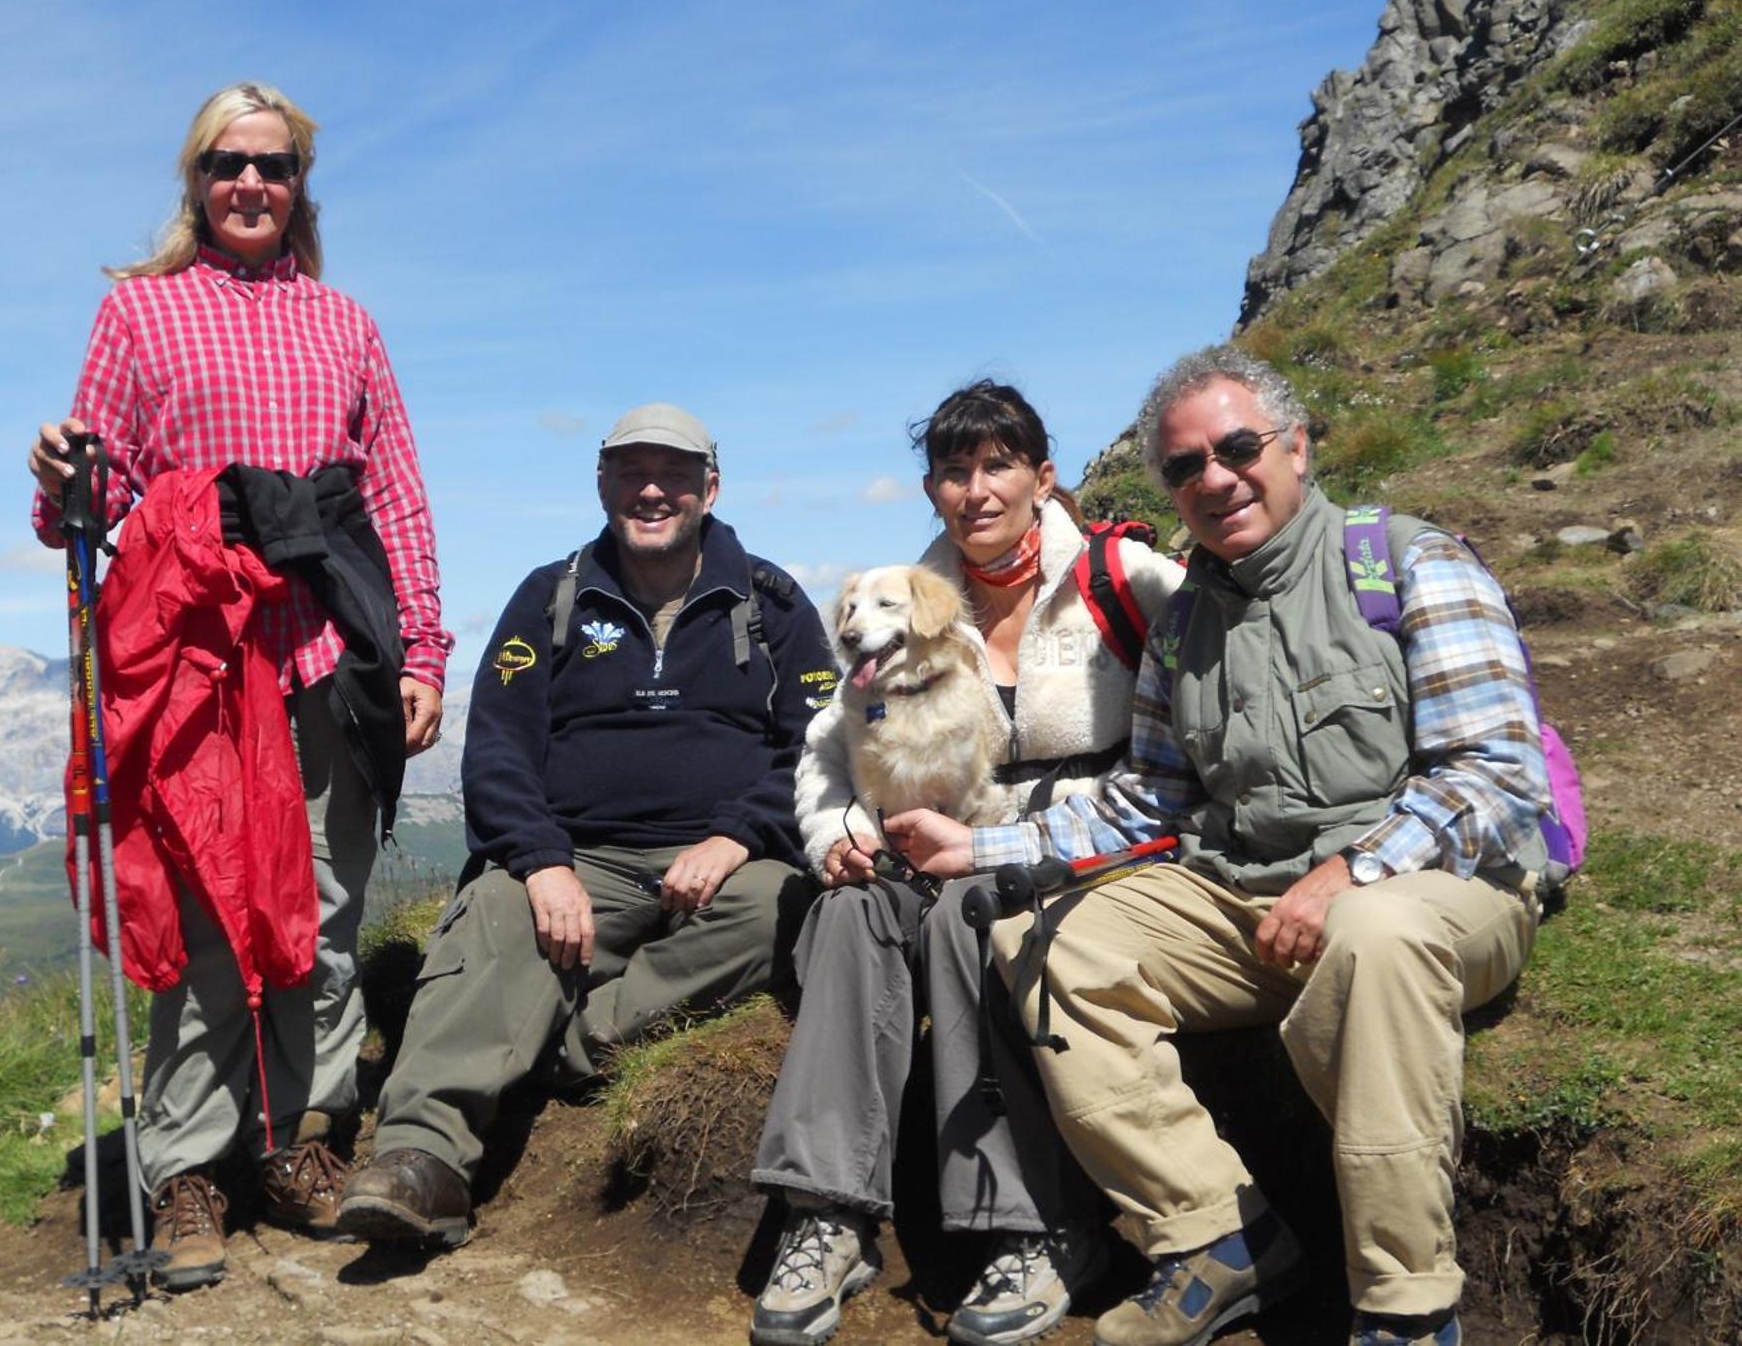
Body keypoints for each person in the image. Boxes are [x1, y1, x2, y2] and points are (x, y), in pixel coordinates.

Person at [884, 346, 1550, 1346]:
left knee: (1370, 935)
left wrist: (1349, 871)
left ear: (1295, 445)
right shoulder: (1183, 620)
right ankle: (1215, 1237)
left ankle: (1405, 1307)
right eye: (1184, 466)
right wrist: (974, 851)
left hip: (1435, 894)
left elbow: (1498, 777)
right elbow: (1143, 803)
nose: (1213, 478)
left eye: (1235, 448)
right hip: (1247, 901)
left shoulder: (1405, 563)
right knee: (1047, 943)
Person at [26, 82, 450, 1291]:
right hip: (195, 650)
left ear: (298, 183)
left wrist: (422, 650)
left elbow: (397, 498)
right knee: (208, 906)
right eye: (226, 164)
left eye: (271, 165)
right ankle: (192, 1165)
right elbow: (89, 507)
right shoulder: (139, 315)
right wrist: (61, 473)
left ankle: (300, 1142)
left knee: (319, 907)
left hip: (328, 641)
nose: (249, 184)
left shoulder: (347, 324)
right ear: (196, 182)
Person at [749, 382, 1184, 1346]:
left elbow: (1231, 619)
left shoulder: (1122, 577)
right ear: (933, 489)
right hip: (931, 838)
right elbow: (831, 742)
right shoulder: (909, 599)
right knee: (850, 916)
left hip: (1087, 841)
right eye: (954, 471)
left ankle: (1037, 1226)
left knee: (967, 914)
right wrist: (832, 837)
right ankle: (828, 1217)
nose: (977, 490)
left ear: (1043, 476)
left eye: (998, 466)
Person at [339, 403, 836, 1246]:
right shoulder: (549, 596)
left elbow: (816, 744)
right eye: (631, 472)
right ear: (601, 483)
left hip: (723, 866)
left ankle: (567, 1043)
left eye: (674, 474)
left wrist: (738, 836)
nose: (652, 490)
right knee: (498, 912)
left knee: (783, 905)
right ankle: (421, 1161)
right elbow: (496, 750)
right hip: (580, 857)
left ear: (709, 489)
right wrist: (540, 862)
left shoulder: (774, 602)